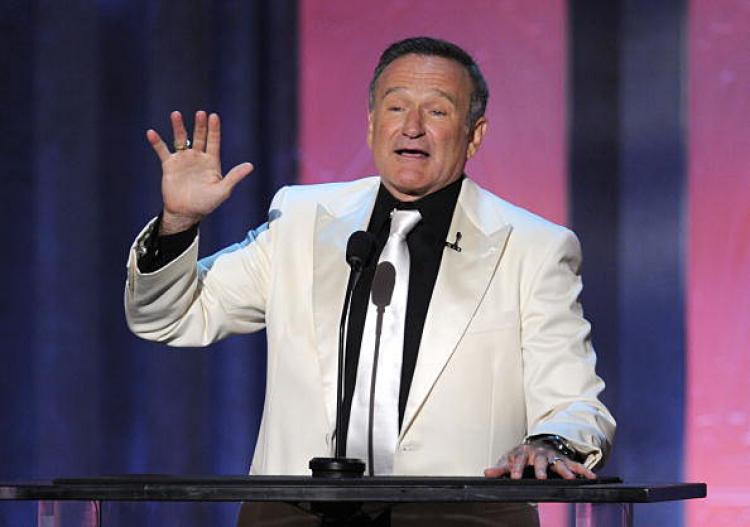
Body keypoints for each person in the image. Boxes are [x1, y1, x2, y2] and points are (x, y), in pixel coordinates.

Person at [125, 37, 615, 525]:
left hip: (459, 518)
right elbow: (173, 316)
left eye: (438, 112)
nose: (413, 127)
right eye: (396, 106)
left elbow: (573, 402)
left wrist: (548, 443)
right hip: (293, 515)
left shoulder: (532, 247)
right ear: (372, 124)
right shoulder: (301, 220)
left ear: (474, 134)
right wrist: (178, 224)